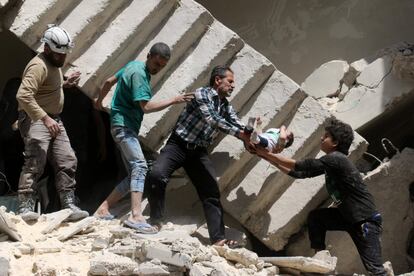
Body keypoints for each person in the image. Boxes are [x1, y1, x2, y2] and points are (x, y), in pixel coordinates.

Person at [255, 118, 386, 275]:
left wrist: (267, 153)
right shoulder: (332, 162)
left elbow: (300, 165)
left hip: (365, 221)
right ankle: (320, 258)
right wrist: (268, 157)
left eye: (326, 136)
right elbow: (300, 174)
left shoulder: (336, 159)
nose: (321, 138)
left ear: (335, 142)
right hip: (348, 217)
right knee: (317, 218)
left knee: (375, 269)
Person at [93, 42, 193, 233]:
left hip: (120, 125)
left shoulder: (133, 65)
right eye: (156, 64)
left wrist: (99, 102)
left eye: (162, 66)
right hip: (125, 127)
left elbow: (108, 81)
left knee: (133, 173)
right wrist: (174, 99)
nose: (158, 68)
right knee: (140, 166)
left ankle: (103, 208)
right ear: (149, 56)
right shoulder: (140, 75)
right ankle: (136, 215)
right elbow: (145, 107)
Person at [148, 65, 253, 245]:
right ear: (217, 80)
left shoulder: (224, 105)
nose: (233, 86)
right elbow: (213, 119)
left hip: (198, 152)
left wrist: (251, 133)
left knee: (211, 192)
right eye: (230, 81)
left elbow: (235, 121)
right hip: (178, 145)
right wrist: (241, 134)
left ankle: (218, 239)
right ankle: (155, 221)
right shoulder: (202, 94)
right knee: (157, 175)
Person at [16, 25, 88, 222]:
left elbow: (46, 89)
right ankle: (25, 205)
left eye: (64, 54)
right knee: (35, 160)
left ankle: (68, 204)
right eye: (58, 54)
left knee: (67, 159)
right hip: (36, 118)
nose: (62, 58)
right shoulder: (37, 66)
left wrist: (65, 84)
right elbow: (23, 95)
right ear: (46, 48)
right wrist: (45, 118)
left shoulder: (53, 64)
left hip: (53, 119)